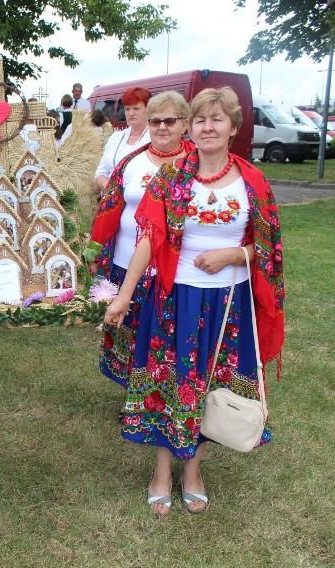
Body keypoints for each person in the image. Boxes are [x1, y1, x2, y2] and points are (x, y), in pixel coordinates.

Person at [104, 87, 284, 517]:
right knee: (170, 386)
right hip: (174, 299)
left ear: (233, 129)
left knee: (208, 387)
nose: (208, 126)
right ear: (193, 127)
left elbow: (270, 248)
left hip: (227, 307)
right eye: (201, 119)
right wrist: (124, 298)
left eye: (217, 119)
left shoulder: (252, 182)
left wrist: (233, 255)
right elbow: (149, 240)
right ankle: (162, 472)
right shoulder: (172, 179)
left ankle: (194, 472)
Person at [90, 91, 196, 388]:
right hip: (125, 263)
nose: (162, 127)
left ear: (185, 124)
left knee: (161, 337)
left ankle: (157, 395)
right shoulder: (131, 162)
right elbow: (110, 206)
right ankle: (131, 394)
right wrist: (95, 251)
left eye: (170, 120)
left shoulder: (195, 165)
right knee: (127, 332)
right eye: (155, 121)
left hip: (169, 271)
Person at [94, 87, 152, 191]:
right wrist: (108, 186)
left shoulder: (153, 138)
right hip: (109, 199)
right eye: (127, 109)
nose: (131, 113)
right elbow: (100, 172)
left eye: (136, 108)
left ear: (148, 109)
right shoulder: (116, 137)